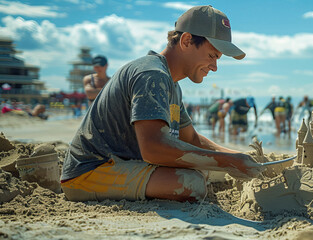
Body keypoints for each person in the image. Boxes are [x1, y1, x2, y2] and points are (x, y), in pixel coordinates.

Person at [60, 5, 264, 203]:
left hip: (122, 163)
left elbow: (191, 138)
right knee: (192, 183)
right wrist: (228, 162)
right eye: (212, 56)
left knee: (208, 170)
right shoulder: (152, 74)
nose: (215, 67)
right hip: (90, 172)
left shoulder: (172, 84)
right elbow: (153, 148)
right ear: (186, 41)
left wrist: (238, 157)